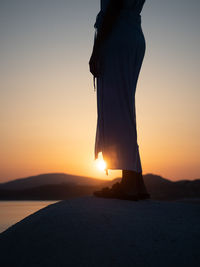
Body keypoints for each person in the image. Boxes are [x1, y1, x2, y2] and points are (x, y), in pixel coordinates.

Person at [89, 0, 150, 201]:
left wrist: (97, 48)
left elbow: (114, 6)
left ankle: (129, 185)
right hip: (134, 35)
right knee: (125, 108)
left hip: (118, 36)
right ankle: (136, 183)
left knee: (118, 109)